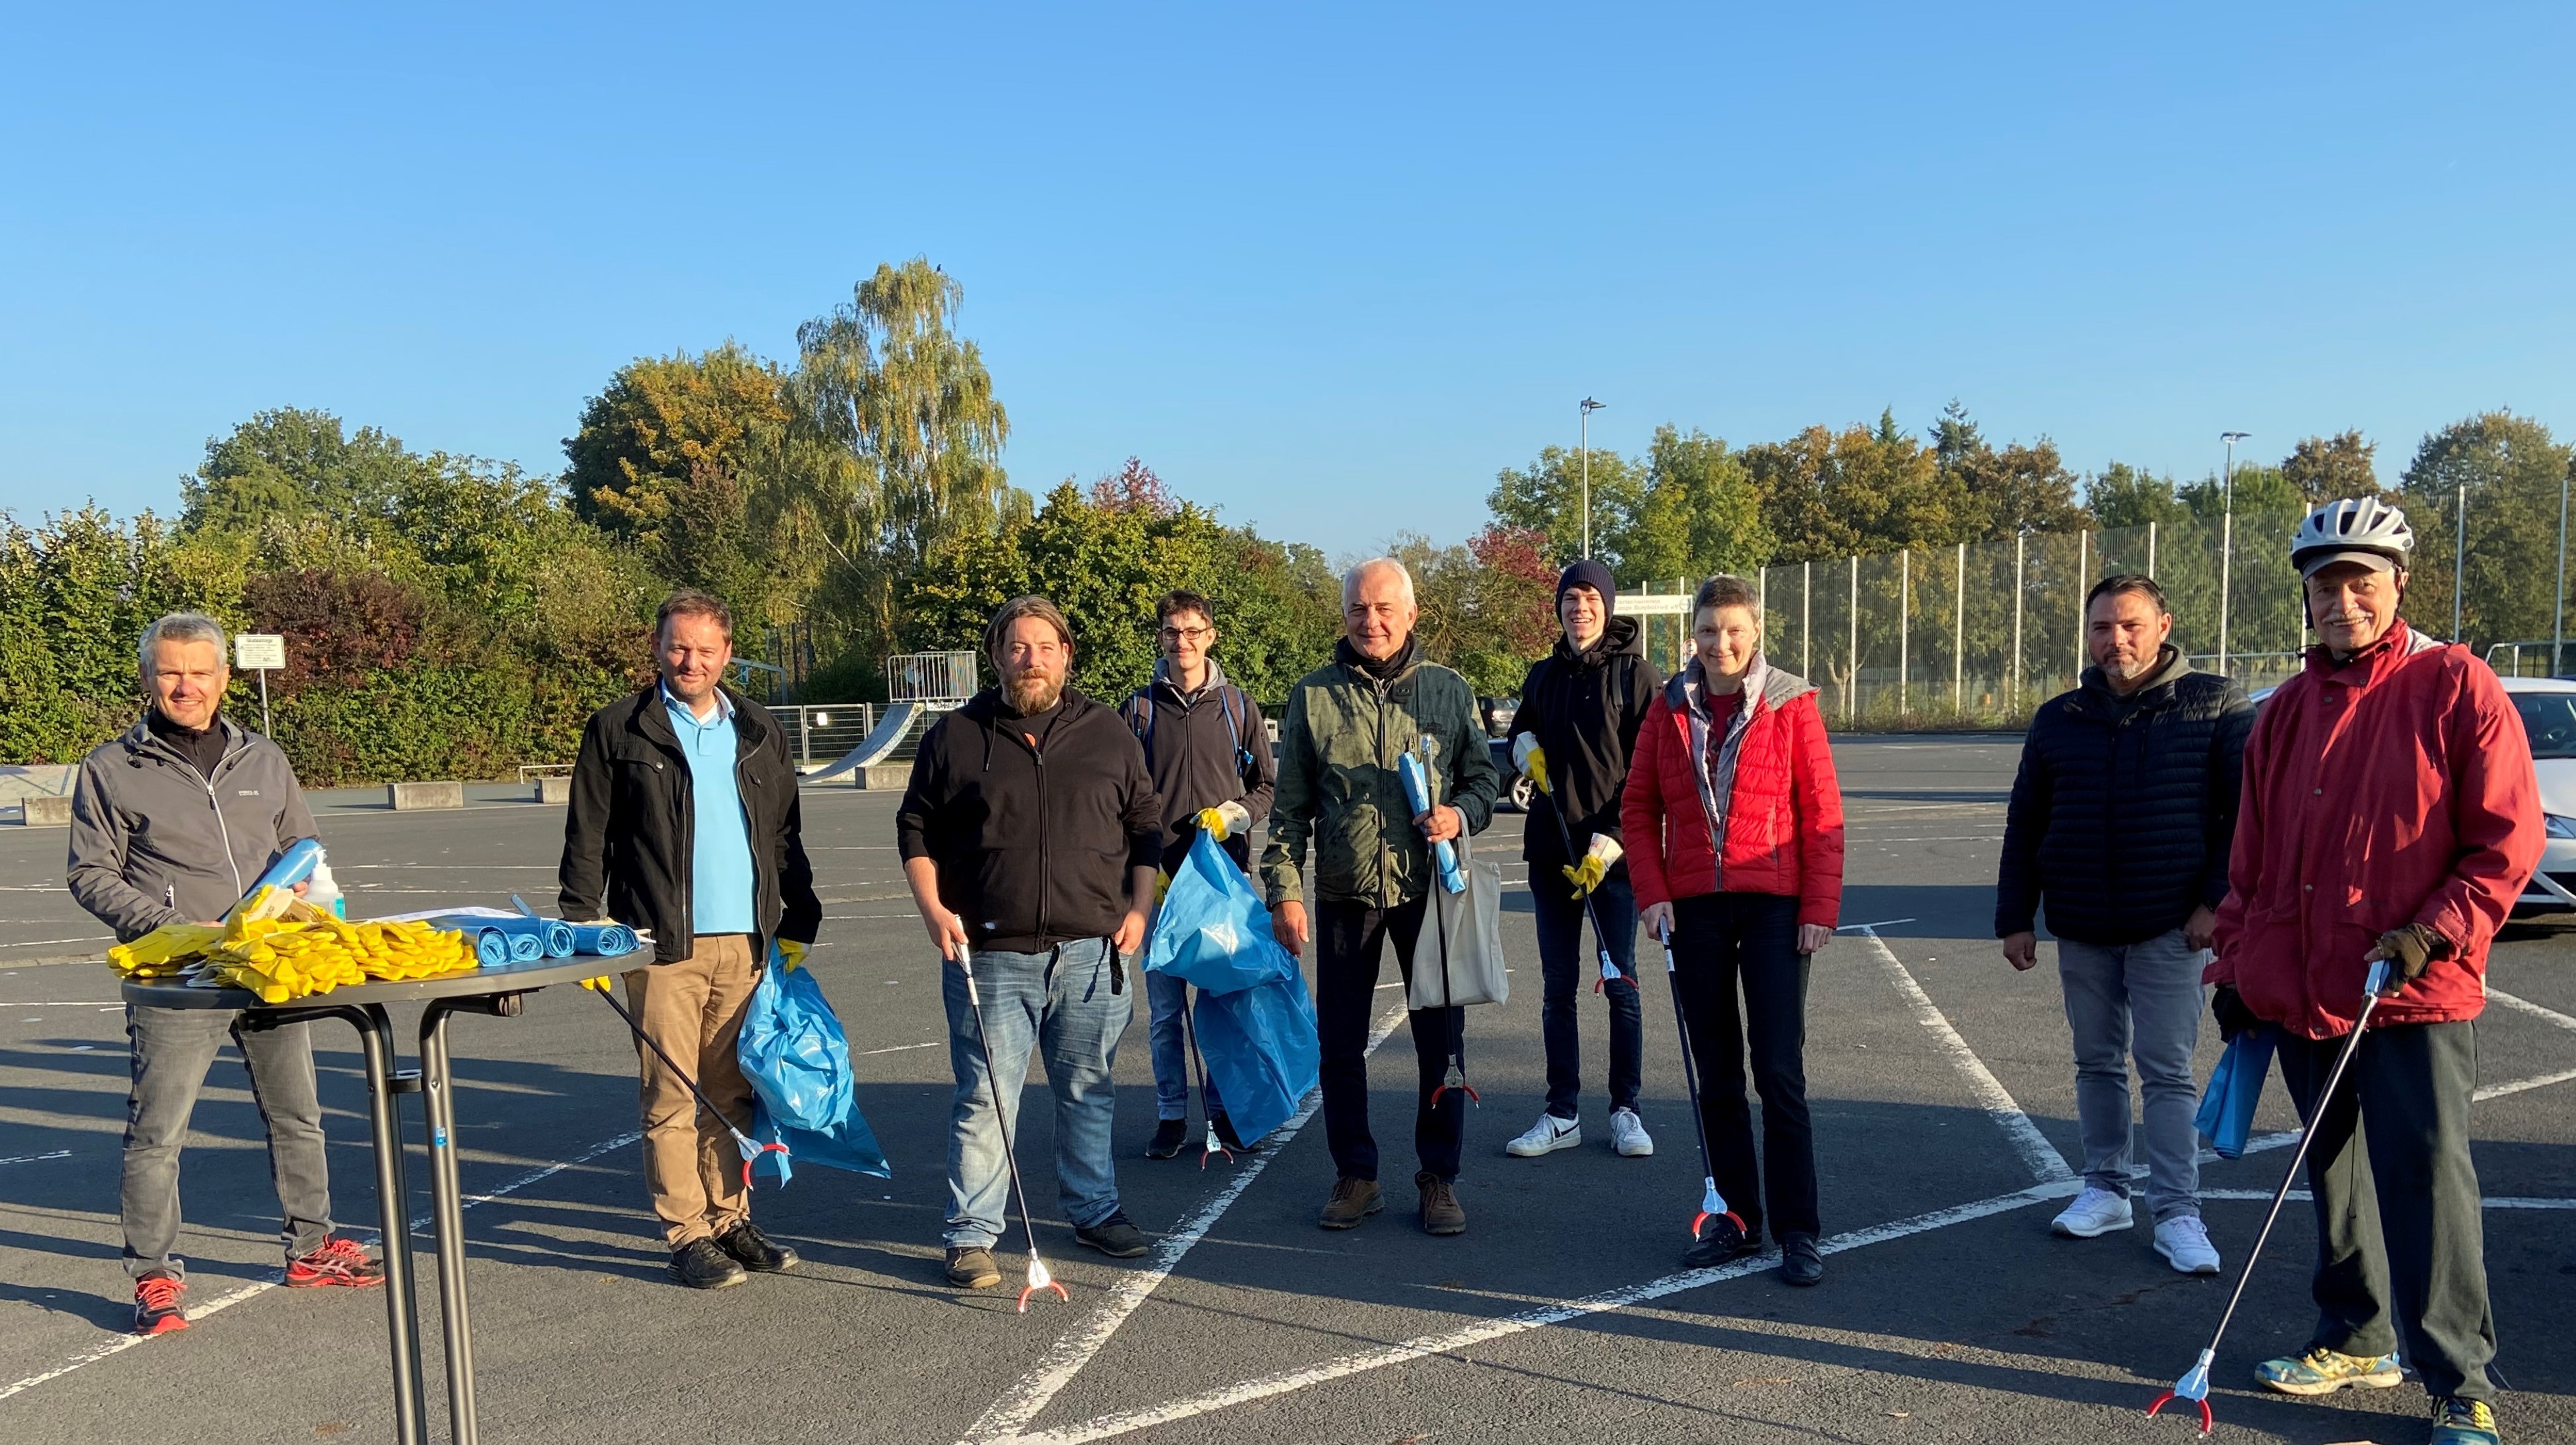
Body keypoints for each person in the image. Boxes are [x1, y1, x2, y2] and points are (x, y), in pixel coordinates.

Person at [2209, 499, 2538, 1445]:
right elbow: (2251, 860)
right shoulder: (2282, 712)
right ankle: (2356, 1336)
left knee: (2429, 1180)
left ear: (2398, 586)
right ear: (2307, 597)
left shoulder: (2455, 683)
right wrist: (2236, 965)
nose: (2342, 601)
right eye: (2325, 585)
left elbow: (2505, 840)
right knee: (2335, 1176)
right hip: (2305, 990)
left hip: (2412, 990)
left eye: (2361, 582)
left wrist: (2434, 930)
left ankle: (2460, 1381)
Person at [67, 613, 383, 1336]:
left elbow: (303, 846)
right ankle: (154, 1275)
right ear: (148, 678)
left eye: (200, 672)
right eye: (171, 673)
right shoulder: (111, 768)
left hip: (269, 967)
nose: (187, 686)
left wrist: (311, 902)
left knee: (298, 1115)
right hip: (180, 975)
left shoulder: (263, 758)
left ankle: (311, 1247)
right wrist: (173, 929)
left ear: (223, 678)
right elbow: (91, 874)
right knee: (158, 1133)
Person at [559, 590, 821, 1290]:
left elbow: (784, 833)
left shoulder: (759, 729)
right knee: (671, 1096)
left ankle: (731, 1219)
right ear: (657, 646)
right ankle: (687, 1233)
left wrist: (800, 915)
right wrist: (580, 923)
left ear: (728, 653)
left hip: (746, 942)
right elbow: (588, 834)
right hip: (662, 944)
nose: (691, 661)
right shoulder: (619, 728)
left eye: (706, 649)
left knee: (732, 1093)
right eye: (679, 646)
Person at [899, 595, 1163, 1289]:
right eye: (1017, 647)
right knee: (985, 1097)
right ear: (997, 656)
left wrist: (1140, 908)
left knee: (1089, 1090)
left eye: (1045, 647)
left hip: (1092, 954)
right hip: (988, 957)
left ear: (1066, 654)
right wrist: (931, 907)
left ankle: (1095, 1209)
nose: (1031, 660)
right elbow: (916, 828)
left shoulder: (1108, 733)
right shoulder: (955, 736)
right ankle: (971, 1234)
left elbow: (1144, 826)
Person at [1996, 575, 2253, 1275]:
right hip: (2083, 924)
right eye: (2102, 627)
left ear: (2164, 626)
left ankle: (2177, 1212)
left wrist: (2215, 902)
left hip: (2171, 924)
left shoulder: (2215, 704)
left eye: (2131, 625)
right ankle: (2106, 1190)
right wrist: (2015, 916)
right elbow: (2027, 820)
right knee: (2096, 1062)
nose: (2116, 640)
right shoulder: (2059, 717)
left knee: (2166, 1071)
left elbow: (2246, 815)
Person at [1263, 558, 1501, 1236]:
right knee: (1340, 1045)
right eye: (1358, 609)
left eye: (1384, 608)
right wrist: (1284, 891)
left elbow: (1484, 782)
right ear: (1344, 616)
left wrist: (1459, 814)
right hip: (1345, 893)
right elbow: (1288, 809)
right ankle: (1357, 1173)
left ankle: (1439, 1177)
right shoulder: (1313, 695)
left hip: (1430, 894)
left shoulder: (1448, 689)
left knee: (1442, 1044)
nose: (1371, 621)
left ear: (1411, 614)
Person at [1621, 574, 1843, 1286]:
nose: (1721, 643)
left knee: (1778, 1070)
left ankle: (1798, 1228)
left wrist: (1818, 908)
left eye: (1734, 630)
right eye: (1709, 631)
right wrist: (1653, 893)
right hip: (1695, 911)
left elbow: (1822, 811)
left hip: (1775, 906)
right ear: (1693, 635)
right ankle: (1736, 1216)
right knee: (1716, 1073)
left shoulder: (1792, 703)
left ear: (1756, 634)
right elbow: (1638, 809)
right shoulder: (1667, 710)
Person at [1504, 559, 1662, 1160]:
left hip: (1612, 861)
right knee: (1557, 988)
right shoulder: (1543, 675)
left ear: (1608, 607)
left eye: (1591, 599)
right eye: (1571, 599)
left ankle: (1626, 1110)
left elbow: (1648, 772)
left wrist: (1610, 840)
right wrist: (1526, 749)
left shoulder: (1636, 676)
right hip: (1552, 855)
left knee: (1620, 984)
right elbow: (1520, 731)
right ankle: (1561, 1112)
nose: (1580, 609)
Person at [1121, 589, 1279, 1159]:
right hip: (1160, 885)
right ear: (1160, 637)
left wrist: (1234, 815)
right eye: (1172, 631)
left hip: (1221, 884)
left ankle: (1223, 1111)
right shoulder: (1138, 709)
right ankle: (1170, 1115)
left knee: (1223, 1005)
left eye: (1193, 631)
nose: (1182, 642)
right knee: (1166, 1012)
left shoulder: (1238, 706)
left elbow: (1267, 787)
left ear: (1211, 636)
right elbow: (1119, 795)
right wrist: (1140, 867)